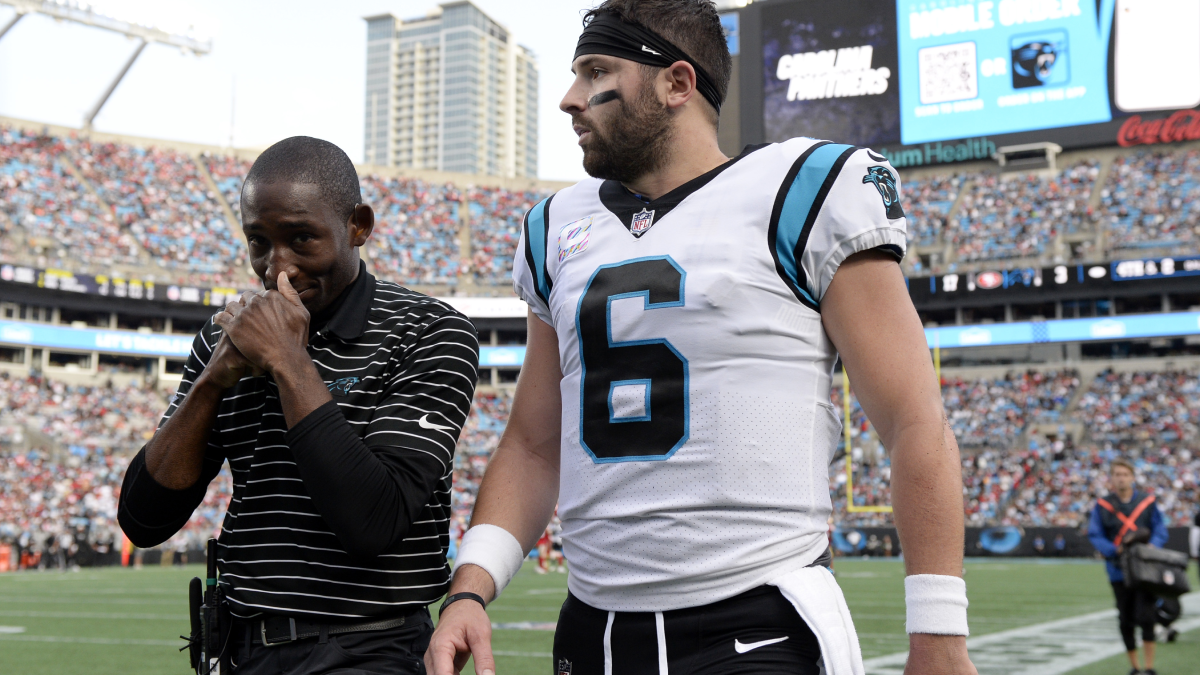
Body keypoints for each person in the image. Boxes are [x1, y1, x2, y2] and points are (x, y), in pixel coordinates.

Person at [426, 2, 976, 674]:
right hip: (591, 631)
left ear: (677, 84)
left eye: (596, 71)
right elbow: (534, 443)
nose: (570, 98)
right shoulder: (555, 227)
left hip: (758, 619)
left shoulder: (798, 191)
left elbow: (914, 420)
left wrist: (940, 633)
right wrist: (471, 589)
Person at [117, 137, 480, 674]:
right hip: (240, 646)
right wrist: (215, 378)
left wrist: (287, 360)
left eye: (301, 238)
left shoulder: (429, 331)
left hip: (369, 646)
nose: (275, 270)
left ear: (358, 226)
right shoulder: (229, 339)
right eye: (258, 242)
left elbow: (373, 521)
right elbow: (144, 520)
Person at [1087, 458, 1168, 675]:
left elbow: (1160, 529)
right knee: (1125, 619)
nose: (1121, 478)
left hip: (1145, 569)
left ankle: (1149, 668)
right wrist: (1115, 550)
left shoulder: (1147, 502)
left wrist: (1152, 546)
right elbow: (1095, 534)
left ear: (1132, 477)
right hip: (1118, 569)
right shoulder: (1103, 505)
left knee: (1147, 617)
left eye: (1125, 474)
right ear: (1112, 478)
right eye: (1117, 474)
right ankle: (1135, 667)